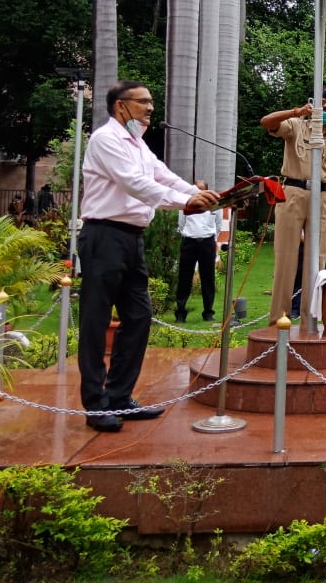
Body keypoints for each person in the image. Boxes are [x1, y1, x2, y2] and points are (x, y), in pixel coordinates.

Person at [78, 80, 220, 432]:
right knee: (96, 322)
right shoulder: (106, 139)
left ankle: (120, 397)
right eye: (143, 102)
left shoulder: (137, 144)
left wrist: (196, 192)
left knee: (139, 317)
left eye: (151, 102)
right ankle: (95, 405)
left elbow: (161, 175)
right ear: (120, 106)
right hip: (103, 235)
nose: (150, 108)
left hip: (131, 238)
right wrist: (184, 203)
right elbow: (133, 183)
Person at [260, 86, 326, 324]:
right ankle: (277, 320)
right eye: (321, 103)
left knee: (317, 258)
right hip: (293, 191)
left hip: (322, 196)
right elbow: (266, 122)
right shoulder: (296, 124)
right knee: (286, 256)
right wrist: (296, 111)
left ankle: (311, 318)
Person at [174, 180, 221, 323]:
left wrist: (210, 238)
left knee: (208, 278)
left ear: (206, 191)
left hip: (207, 242)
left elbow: (218, 225)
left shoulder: (214, 205)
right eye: (196, 190)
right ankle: (180, 312)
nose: (198, 193)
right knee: (184, 277)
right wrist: (190, 235)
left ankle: (208, 312)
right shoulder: (186, 204)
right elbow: (181, 224)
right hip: (189, 242)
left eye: (201, 191)